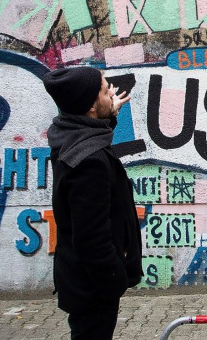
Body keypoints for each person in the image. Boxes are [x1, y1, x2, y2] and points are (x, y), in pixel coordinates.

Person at [43, 65, 143, 340]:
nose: (110, 91)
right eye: (103, 89)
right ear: (89, 106)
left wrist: (109, 114)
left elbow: (91, 134)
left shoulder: (67, 136)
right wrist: (115, 281)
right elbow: (91, 238)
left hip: (81, 280)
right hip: (94, 287)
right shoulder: (89, 163)